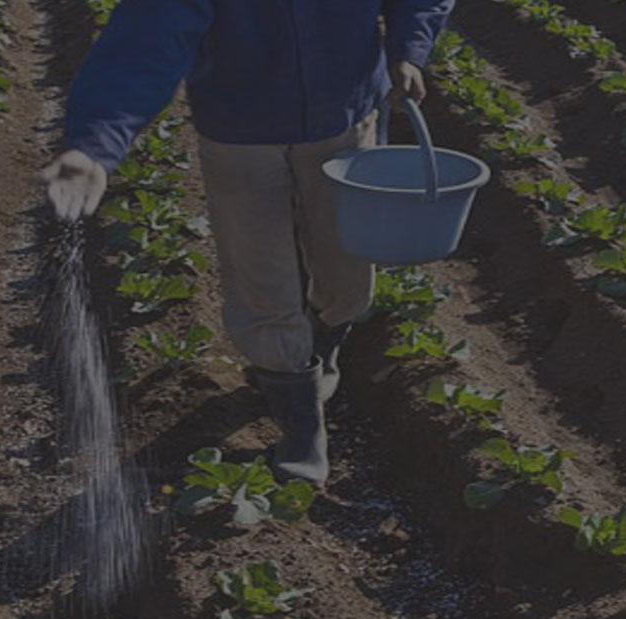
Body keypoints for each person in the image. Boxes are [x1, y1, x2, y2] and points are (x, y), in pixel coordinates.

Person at [38, 0, 456, 484]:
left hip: (346, 117)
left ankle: (324, 341)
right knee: (263, 276)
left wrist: (409, 48)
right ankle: (301, 422)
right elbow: (149, 33)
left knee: (347, 273)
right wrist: (93, 144)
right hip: (240, 131)